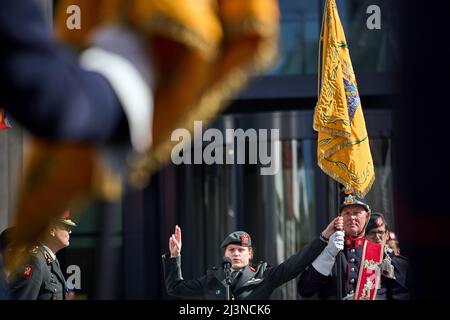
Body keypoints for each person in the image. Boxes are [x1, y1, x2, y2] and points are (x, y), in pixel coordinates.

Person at [162, 220, 343, 300]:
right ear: (225, 254)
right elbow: (175, 288)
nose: (236, 254)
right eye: (231, 250)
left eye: (241, 250)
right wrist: (175, 256)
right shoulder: (211, 279)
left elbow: (295, 264)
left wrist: (324, 237)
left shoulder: (264, 276)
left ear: (250, 255)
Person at [298, 193, 409, 300]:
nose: (352, 217)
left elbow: (400, 295)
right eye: (347, 213)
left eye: (356, 213)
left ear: (367, 216)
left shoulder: (384, 255)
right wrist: (328, 254)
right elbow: (305, 290)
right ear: (340, 217)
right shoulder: (327, 252)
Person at [7, 211, 77, 300]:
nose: (70, 231)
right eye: (66, 227)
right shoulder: (34, 260)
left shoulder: (51, 260)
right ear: (52, 230)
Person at [365, 212, 411, 298]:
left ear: (386, 235)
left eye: (380, 232)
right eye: (372, 233)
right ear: (365, 236)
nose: (377, 237)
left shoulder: (402, 264)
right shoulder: (360, 262)